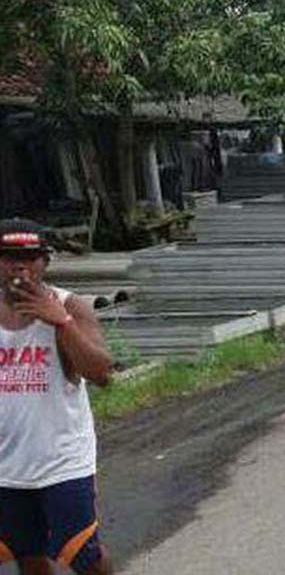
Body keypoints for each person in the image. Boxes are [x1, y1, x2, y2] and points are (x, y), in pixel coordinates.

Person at [0, 218, 115, 575]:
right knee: (26, 554)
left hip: (63, 460)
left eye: (31, 257)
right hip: (7, 463)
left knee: (83, 556)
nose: (20, 266)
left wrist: (61, 322)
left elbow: (101, 374)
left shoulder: (71, 306)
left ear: (45, 262)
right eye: (8, 256)